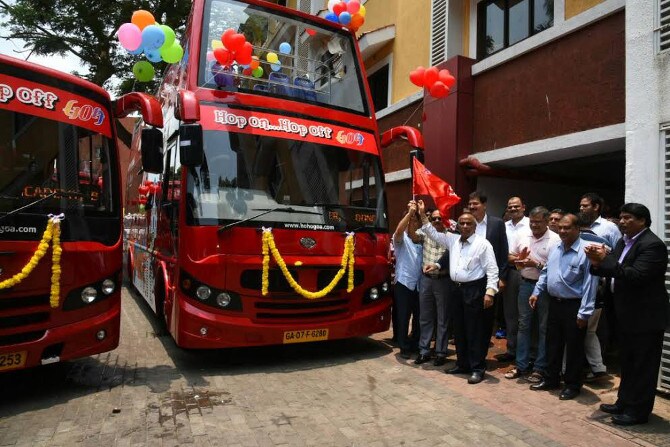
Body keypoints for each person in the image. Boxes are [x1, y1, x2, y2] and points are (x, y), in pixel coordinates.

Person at [586, 203, 669, 426]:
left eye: (628, 218)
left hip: (645, 317)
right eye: (620, 217)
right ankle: (624, 402)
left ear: (642, 221)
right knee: (628, 362)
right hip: (625, 314)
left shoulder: (652, 245)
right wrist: (596, 263)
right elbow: (614, 270)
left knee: (643, 365)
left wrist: (606, 260)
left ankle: (638, 411)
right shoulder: (624, 241)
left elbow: (636, 275)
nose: (621, 222)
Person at [415, 199, 499, 384]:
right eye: (462, 223)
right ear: (457, 226)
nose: (465, 226)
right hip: (456, 290)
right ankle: (462, 364)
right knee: (459, 330)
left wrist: (490, 292)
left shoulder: (483, 244)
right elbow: (431, 232)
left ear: (475, 226)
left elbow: (492, 270)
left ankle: (477, 368)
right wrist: (422, 213)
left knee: (474, 331)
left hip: (474, 291)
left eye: (469, 223)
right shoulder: (453, 240)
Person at [528, 214, 598, 400]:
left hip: (574, 306)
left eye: (567, 228)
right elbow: (545, 273)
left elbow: (590, 285)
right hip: (554, 303)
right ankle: (551, 379)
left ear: (577, 229)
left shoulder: (586, 251)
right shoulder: (556, 248)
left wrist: (584, 313)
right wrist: (536, 291)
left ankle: (573, 385)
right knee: (553, 343)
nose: (563, 231)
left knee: (574, 347)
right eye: (560, 228)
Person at [504, 207, 560, 383]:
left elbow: (554, 270)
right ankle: (521, 365)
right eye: (532, 222)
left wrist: (535, 264)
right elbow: (509, 256)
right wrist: (518, 259)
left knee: (543, 327)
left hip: (545, 288)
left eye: (538, 222)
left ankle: (539, 367)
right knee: (523, 325)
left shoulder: (555, 240)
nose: (534, 225)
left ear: (547, 221)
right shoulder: (523, 235)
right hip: (525, 284)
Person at [466, 192, 509, 360]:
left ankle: (480, 359)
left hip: (489, 281)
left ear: (484, 205)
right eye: (470, 204)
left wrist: (502, 277)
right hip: (469, 281)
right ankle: (467, 358)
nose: (472, 207)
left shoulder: (497, 224)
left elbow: (503, 252)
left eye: (475, 203)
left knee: (484, 322)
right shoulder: (464, 224)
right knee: (468, 321)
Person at [408, 208, 451, 366]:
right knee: (425, 317)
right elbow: (412, 236)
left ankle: (440, 352)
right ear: (430, 220)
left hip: (443, 280)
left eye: (440, 218)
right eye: (434, 218)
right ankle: (424, 351)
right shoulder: (424, 232)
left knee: (442, 318)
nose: (437, 221)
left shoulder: (451, 235)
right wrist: (412, 217)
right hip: (426, 280)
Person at [577, 212, 610, 381]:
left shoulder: (575, 242)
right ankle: (598, 367)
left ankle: (568, 370)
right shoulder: (603, 243)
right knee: (590, 332)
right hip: (598, 295)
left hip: (578, 296)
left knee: (574, 334)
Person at [499, 196, 530, 361]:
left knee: (525, 314)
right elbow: (500, 250)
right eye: (510, 207)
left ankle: (527, 353)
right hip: (509, 272)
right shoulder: (503, 226)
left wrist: (516, 257)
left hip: (527, 272)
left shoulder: (531, 224)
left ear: (523, 207)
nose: (512, 209)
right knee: (510, 313)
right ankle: (512, 350)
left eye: (516, 206)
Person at [391, 201, 423, 358]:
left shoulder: (423, 240)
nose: (412, 223)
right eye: (410, 220)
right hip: (404, 283)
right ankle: (403, 346)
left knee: (418, 317)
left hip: (420, 285)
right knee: (404, 316)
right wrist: (410, 213)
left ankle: (415, 344)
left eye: (415, 220)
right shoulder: (401, 240)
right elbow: (398, 230)